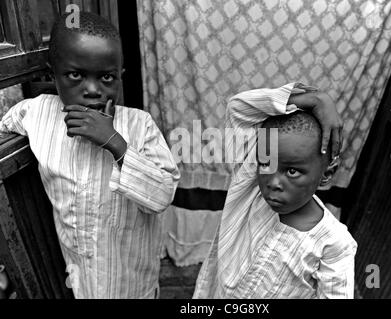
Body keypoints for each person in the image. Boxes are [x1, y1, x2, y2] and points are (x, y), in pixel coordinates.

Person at [0, 12, 180, 299]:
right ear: (52, 73)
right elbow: (4, 126)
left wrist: (115, 142)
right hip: (79, 278)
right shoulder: (36, 113)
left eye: (107, 77)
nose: (94, 90)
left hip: (132, 282)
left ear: (120, 76)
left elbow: (162, 195)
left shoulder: (139, 124)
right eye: (76, 75)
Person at [193, 82, 357, 298]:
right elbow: (238, 107)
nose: (273, 182)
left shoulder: (334, 244)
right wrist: (318, 99)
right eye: (265, 163)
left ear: (326, 175)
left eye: (291, 171)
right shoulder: (250, 191)